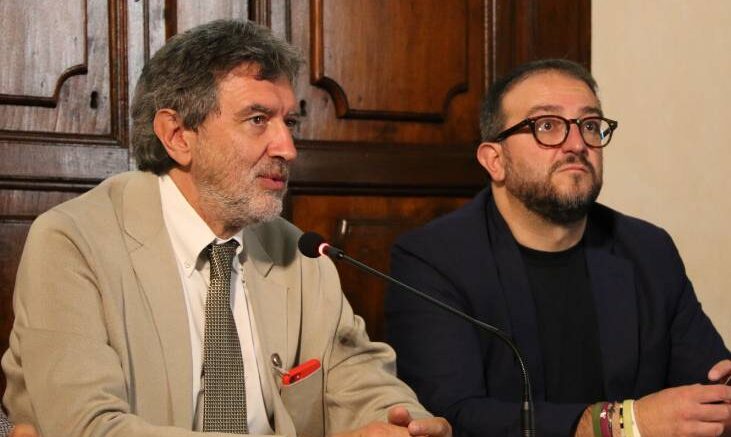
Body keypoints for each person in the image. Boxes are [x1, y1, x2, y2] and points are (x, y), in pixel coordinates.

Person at [1, 20, 451, 437]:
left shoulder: (299, 252)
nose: (288, 148)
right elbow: (88, 428)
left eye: (289, 122)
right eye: (258, 120)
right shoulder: (73, 243)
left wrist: (400, 423)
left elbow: (357, 376)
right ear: (178, 135)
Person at [386, 59, 731, 436]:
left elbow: (709, 384)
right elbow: (451, 415)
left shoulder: (648, 250)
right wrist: (616, 425)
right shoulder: (432, 260)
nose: (577, 144)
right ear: (495, 160)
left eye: (590, 125)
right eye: (547, 126)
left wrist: (723, 400)